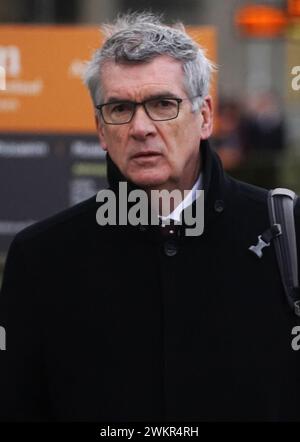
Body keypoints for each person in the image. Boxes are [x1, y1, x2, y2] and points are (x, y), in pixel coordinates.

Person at [0, 11, 300, 422]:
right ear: (101, 130)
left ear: (206, 117)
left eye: (163, 104)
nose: (140, 127)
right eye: (120, 108)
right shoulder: (42, 259)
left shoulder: (290, 233)